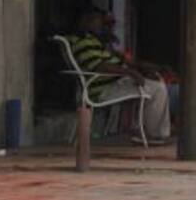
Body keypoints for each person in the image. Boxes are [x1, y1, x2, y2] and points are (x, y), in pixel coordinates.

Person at [70, 8, 172, 144]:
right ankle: (154, 134)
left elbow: (129, 61)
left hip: (116, 83)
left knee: (156, 83)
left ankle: (153, 132)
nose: (101, 25)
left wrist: (154, 69)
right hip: (105, 89)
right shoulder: (82, 42)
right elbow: (99, 66)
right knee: (157, 89)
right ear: (86, 22)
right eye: (98, 21)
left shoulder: (97, 43)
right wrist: (131, 73)